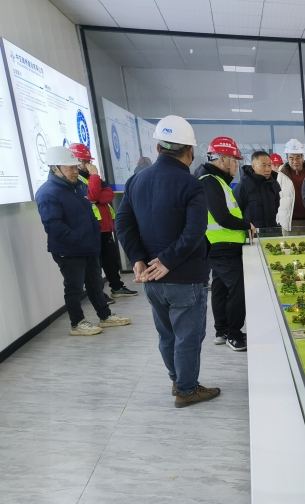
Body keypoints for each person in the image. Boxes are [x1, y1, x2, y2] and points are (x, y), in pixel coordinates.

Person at [116, 115, 220, 408]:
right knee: (188, 337)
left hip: (151, 278)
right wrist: (168, 260)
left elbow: (123, 224)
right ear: (190, 151)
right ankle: (187, 390)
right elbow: (194, 231)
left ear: (159, 148)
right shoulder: (191, 184)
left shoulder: (136, 181)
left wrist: (138, 259)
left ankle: (178, 380)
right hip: (184, 277)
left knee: (167, 335)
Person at [35, 146, 131, 336]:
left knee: (96, 284)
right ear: (55, 168)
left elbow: (90, 213)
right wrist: (78, 239)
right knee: (74, 288)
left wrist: (92, 238)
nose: (74, 171)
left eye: (75, 166)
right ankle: (77, 323)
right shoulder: (48, 192)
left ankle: (105, 316)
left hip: (88, 246)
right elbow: (54, 226)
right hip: (69, 250)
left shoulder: (78, 186)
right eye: (69, 167)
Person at [196, 137, 256, 352]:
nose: (237, 165)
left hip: (222, 244)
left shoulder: (216, 180)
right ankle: (234, 334)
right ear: (223, 159)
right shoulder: (210, 180)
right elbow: (222, 217)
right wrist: (247, 224)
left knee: (220, 288)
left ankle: (222, 331)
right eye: (235, 161)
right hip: (223, 245)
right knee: (238, 290)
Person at [69, 143, 137, 305]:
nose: (88, 165)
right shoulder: (79, 179)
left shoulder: (91, 177)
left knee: (110, 259)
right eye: (84, 161)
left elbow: (108, 195)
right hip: (92, 227)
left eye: (88, 161)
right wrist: (95, 178)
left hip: (105, 226)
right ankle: (98, 295)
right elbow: (91, 196)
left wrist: (96, 192)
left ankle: (117, 287)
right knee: (95, 264)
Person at [235, 150, 294, 229]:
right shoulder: (243, 186)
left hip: (271, 232)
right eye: (263, 165)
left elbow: (277, 207)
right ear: (253, 166)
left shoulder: (273, 184)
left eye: (269, 165)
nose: (267, 169)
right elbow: (236, 212)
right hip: (252, 233)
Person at [279, 139, 305, 230]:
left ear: (302, 157)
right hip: (288, 222)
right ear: (287, 158)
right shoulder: (280, 175)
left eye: (298, 157)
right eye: (291, 158)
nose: (295, 161)